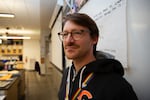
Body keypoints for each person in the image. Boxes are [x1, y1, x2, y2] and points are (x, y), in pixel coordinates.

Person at [58, 13, 138, 100]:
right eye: (65, 34)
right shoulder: (67, 74)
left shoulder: (116, 86)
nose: (69, 40)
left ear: (94, 39)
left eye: (77, 33)